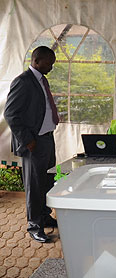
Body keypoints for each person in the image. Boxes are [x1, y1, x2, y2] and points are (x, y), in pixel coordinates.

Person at [4, 46, 59, 243]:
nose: (52, 66)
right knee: (34, 185)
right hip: (33, 143)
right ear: (37, 60)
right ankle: (34, 225)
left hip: (46, 138)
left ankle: (44, 216)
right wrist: (28, 140)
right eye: (49, 62)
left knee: (47, 181)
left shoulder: (42, 80)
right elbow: (10, 114)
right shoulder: (23, 81)